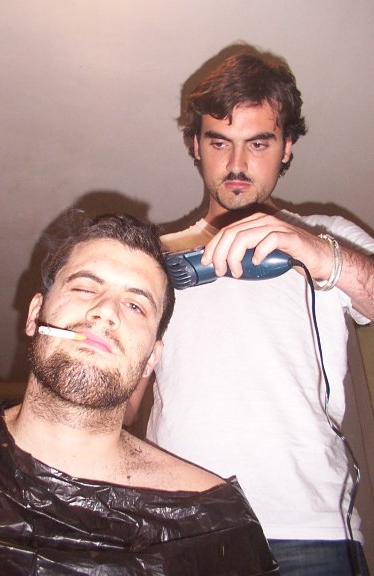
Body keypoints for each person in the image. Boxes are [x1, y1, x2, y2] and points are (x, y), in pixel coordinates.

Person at [126, 44, 374, 575]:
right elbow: (119, 408)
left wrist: (317, 252)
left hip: (311, 528)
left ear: (287, 148)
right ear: (196, 145)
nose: (237, 164)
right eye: (220, 142)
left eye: (258, 143)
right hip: (182, 529)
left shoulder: (328, 236)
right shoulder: (150, 259)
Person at [0, 214, 279, 575]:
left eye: (135, 306)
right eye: (85, 288)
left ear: (151, 359)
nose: (105, 312)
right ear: (35, 314)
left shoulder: (211, 524)